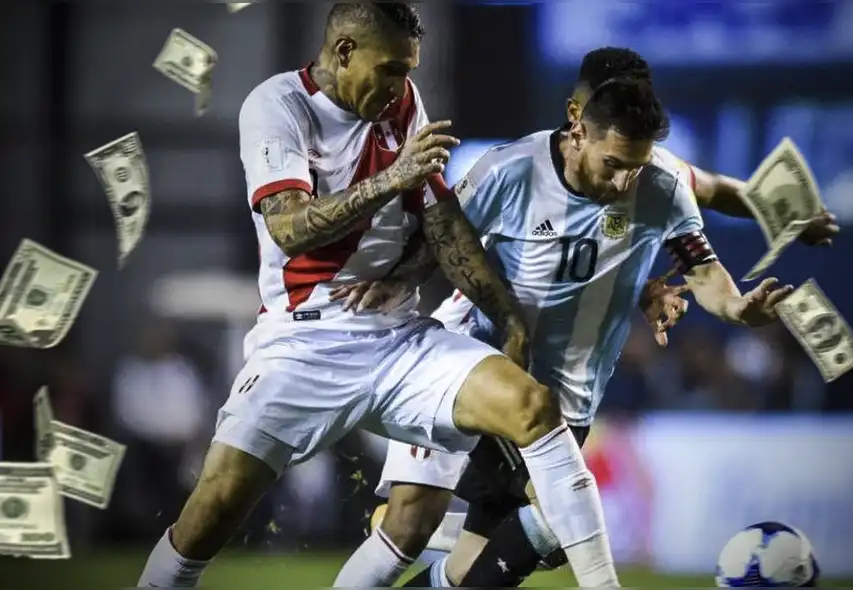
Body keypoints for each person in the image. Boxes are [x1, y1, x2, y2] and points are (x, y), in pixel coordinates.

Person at [136, 3, 622, 587]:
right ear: (345, 52)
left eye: (408, 70)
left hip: (397, 339)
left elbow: (443, 221)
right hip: (303, 343)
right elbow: (289, 228)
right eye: (390, 68)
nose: (400, 85)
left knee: (532, 408)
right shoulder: (277, 106)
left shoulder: (401, 104)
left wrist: (508, 318)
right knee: (208, 515)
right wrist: (392, 177)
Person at [333, 47, 806, 588]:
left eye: (636, 167)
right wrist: (394, 279)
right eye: (615, 166)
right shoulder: (511, 169)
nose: (625, 182)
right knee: (410, 527)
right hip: (474, 367)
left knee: (483, 567)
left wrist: (739, 308)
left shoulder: (662, 181)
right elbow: (442, 234)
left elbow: (706, 263)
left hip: (567, 396)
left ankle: (455, 535)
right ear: (578, 122)